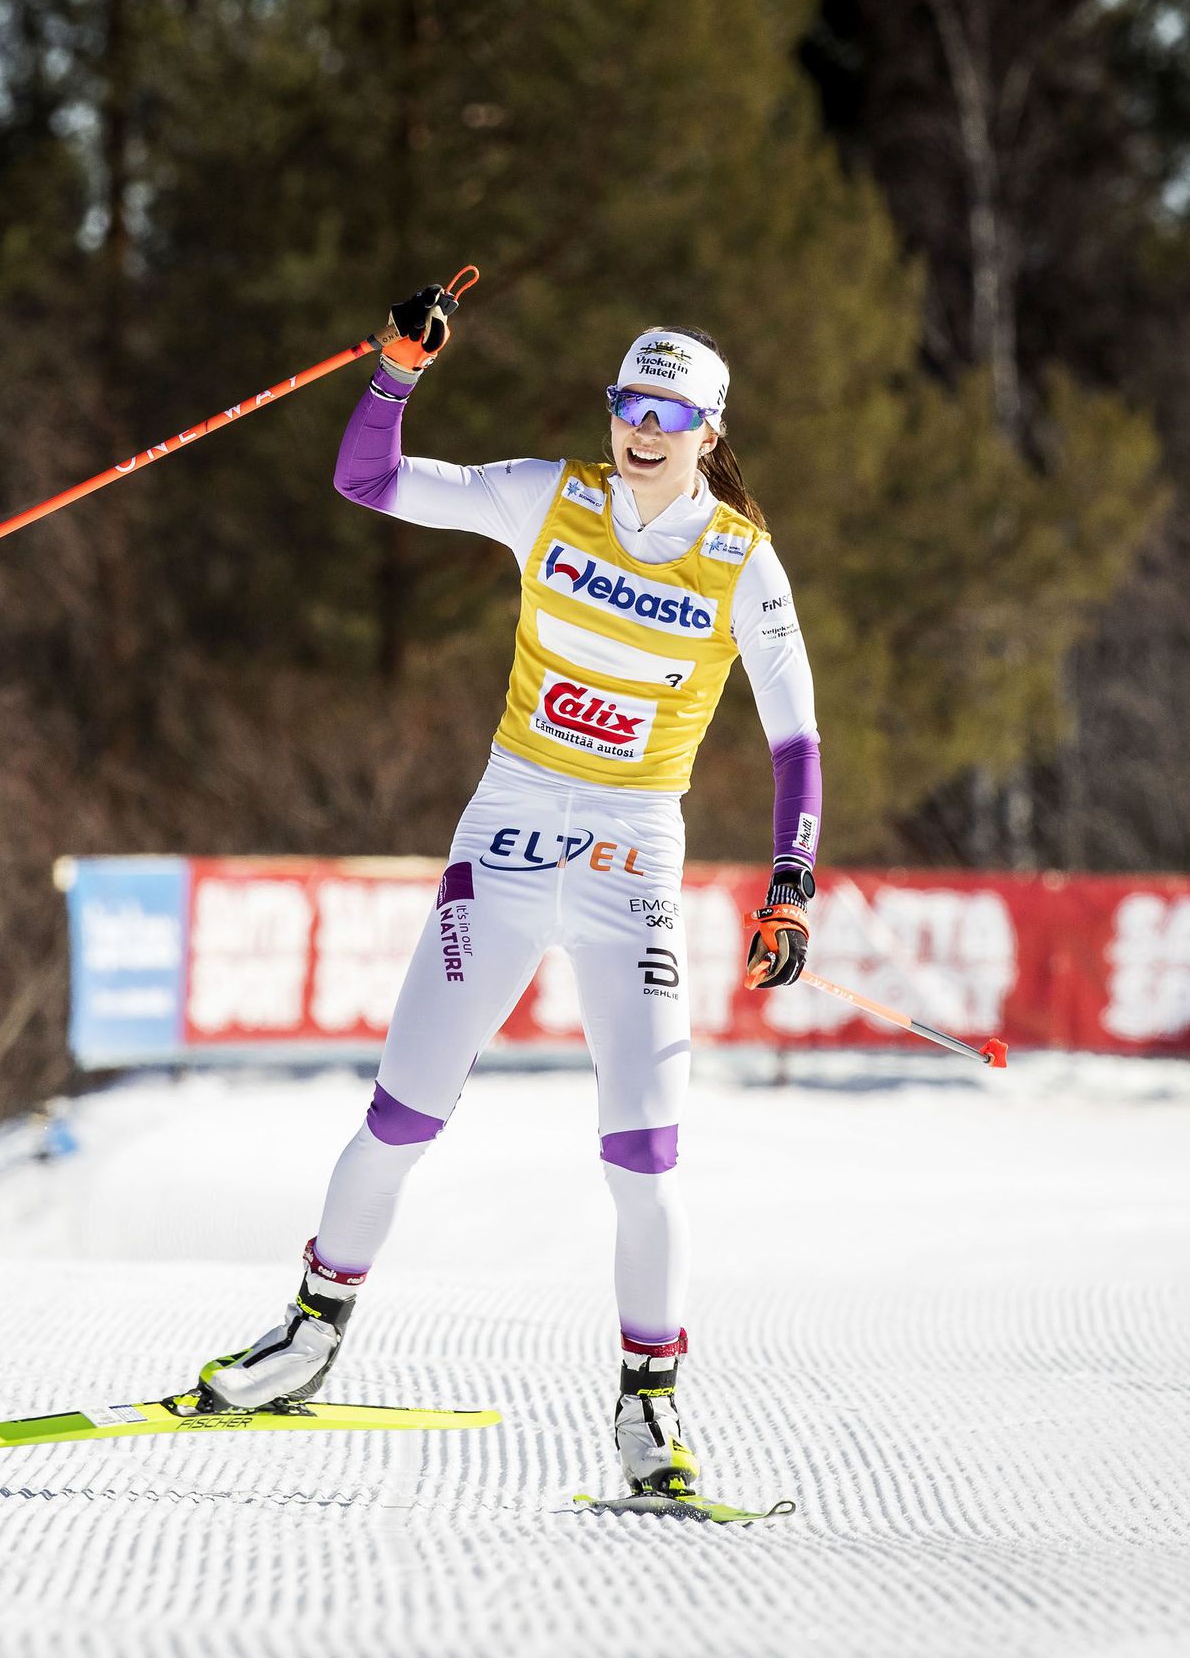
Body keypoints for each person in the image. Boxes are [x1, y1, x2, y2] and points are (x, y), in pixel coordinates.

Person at [195, 286, 821, 1499]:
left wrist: (790, 881)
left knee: (644, 1154)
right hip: (512, 830)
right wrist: (392, 372)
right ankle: (310, 1332)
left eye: (667, 412)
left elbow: (795, 738)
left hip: (632, 859)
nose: (640, 428)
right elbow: (368, 483)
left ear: (707, 430)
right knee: (402, 1109)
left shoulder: (742, 560)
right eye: (627, 404)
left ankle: (650, 1410)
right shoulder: (549, 494)